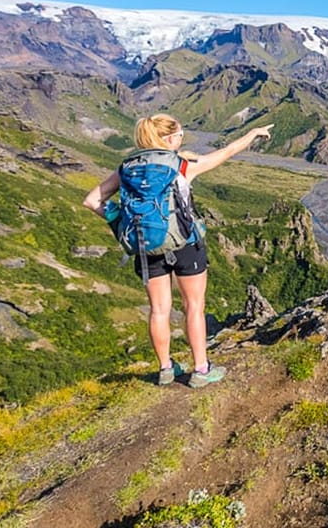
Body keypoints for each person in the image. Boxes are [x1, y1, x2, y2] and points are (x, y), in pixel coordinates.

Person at [83, 114, 273, 387]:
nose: (182, 139)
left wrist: (117, 220)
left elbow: (92, 201)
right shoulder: (182, 166)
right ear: (169, 139)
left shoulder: (127, 168)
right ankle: (200, 369)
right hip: (185, 245)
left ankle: (165, 368)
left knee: (159, 310)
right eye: (180, 135)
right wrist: (253, 133)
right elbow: (227, 151)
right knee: (194, 307)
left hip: (147, 250)